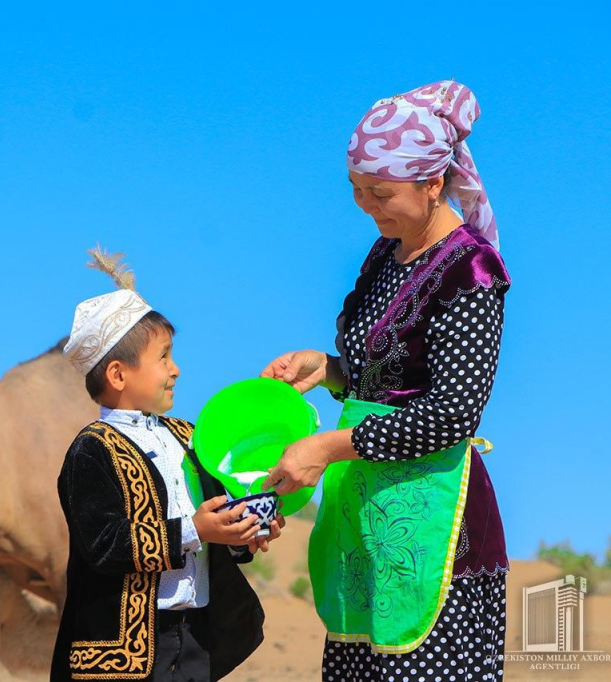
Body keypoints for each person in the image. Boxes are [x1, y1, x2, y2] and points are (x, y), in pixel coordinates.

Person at [260, 80, 511, 680]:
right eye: (356, 190)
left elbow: (451, 413)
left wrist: (324, 448)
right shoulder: (385, 255)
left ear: (432, 183)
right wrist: (326, 369)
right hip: (364, 516)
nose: (366, 205)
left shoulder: (472, 269)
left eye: (380, 192)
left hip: (435, 534)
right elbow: (385, 380)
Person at [51, 250, 283, 681]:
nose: (175, 370)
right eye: (163, 357)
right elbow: (105, 544)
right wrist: (197, 530)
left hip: (195, 637)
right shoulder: (92, 450)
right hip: (124, 657)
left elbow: (217, 509)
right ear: (119, 375)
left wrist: (241, 533)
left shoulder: (190, 436)